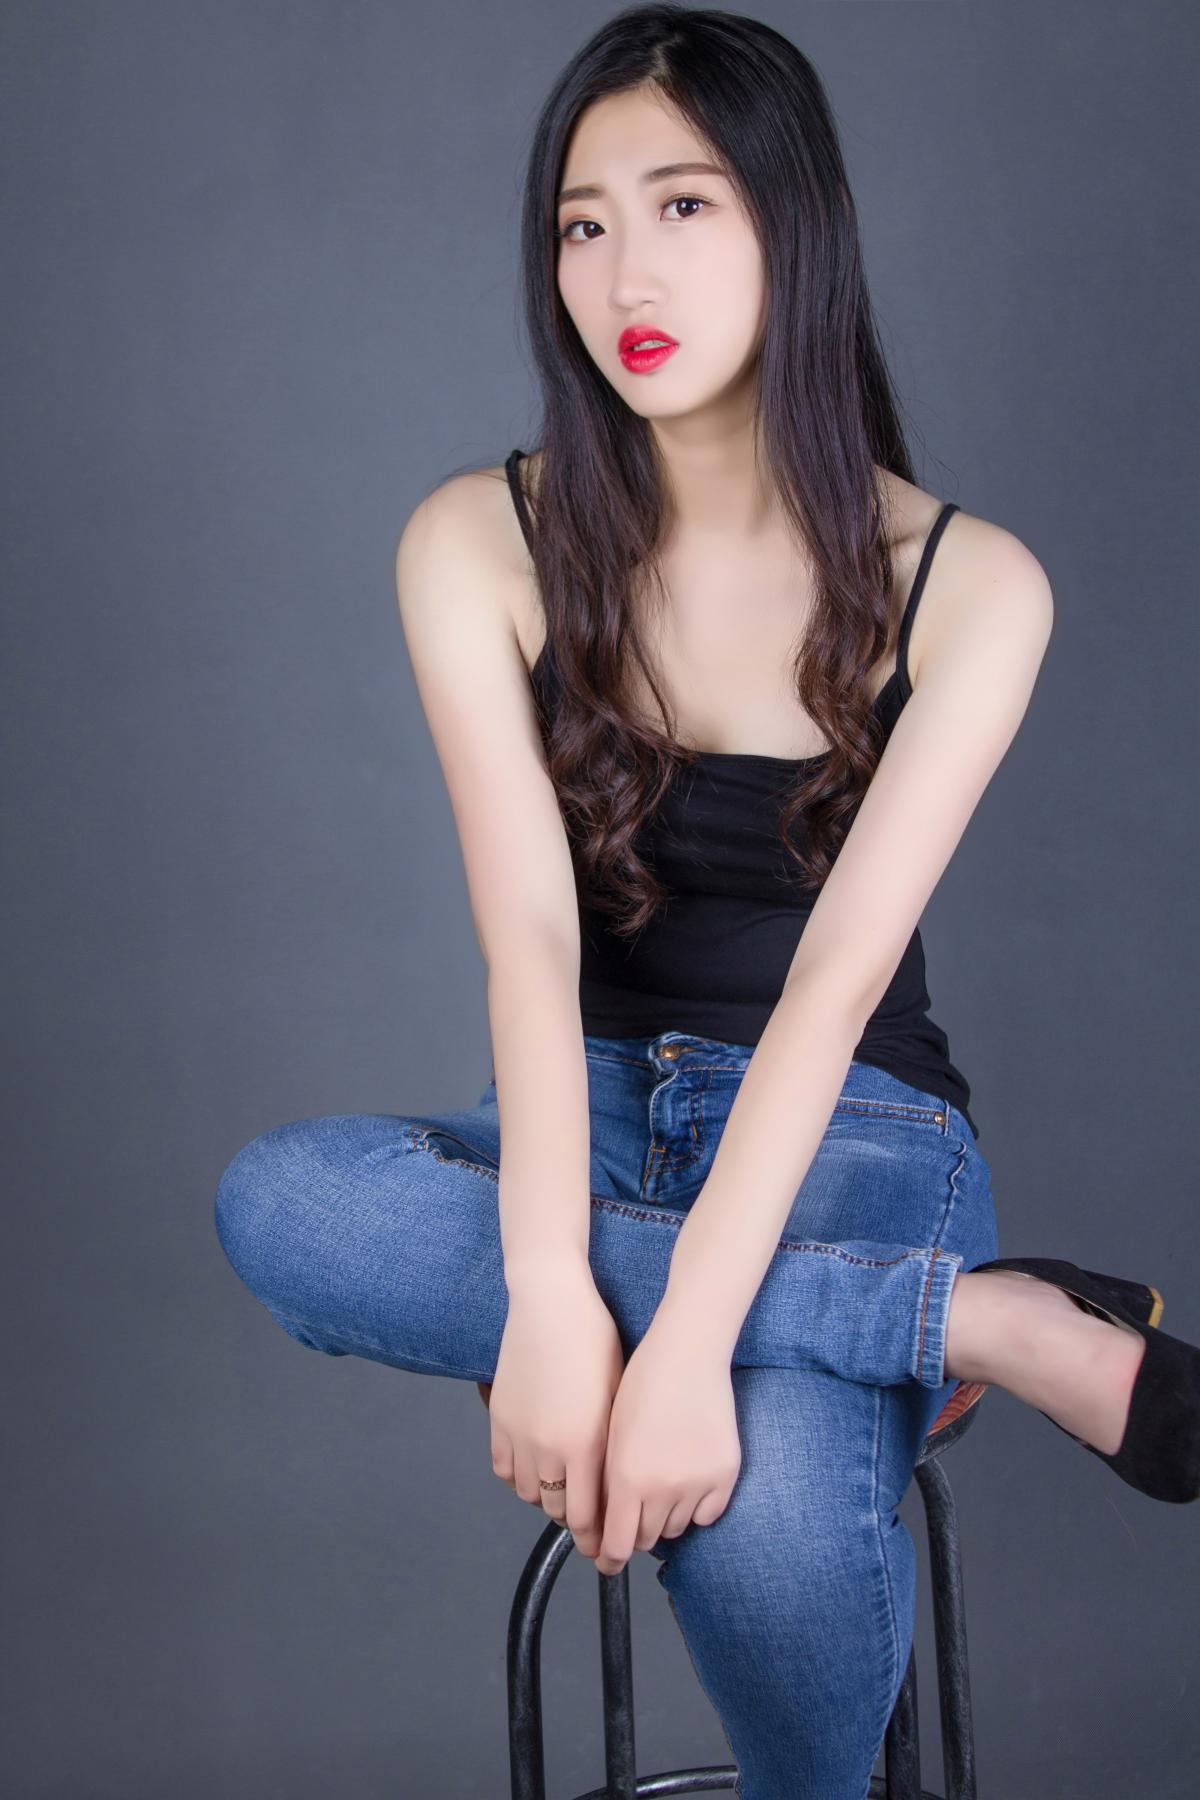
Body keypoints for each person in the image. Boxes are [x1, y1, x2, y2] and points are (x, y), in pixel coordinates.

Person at [213, 7, 1199, 1796]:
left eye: (685, 205)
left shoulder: (970, 587)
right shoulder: (479, 541)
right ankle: (969, 1319)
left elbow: (833, 987)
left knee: (771, 1551)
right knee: (282, 1203)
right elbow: (530, 938)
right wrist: (542, 1293)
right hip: (581, 1118)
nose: (625, 275)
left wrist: (677, 1349)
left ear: (794, 227)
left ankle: (878, 1293)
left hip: (853, 1127)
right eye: (582, 224)